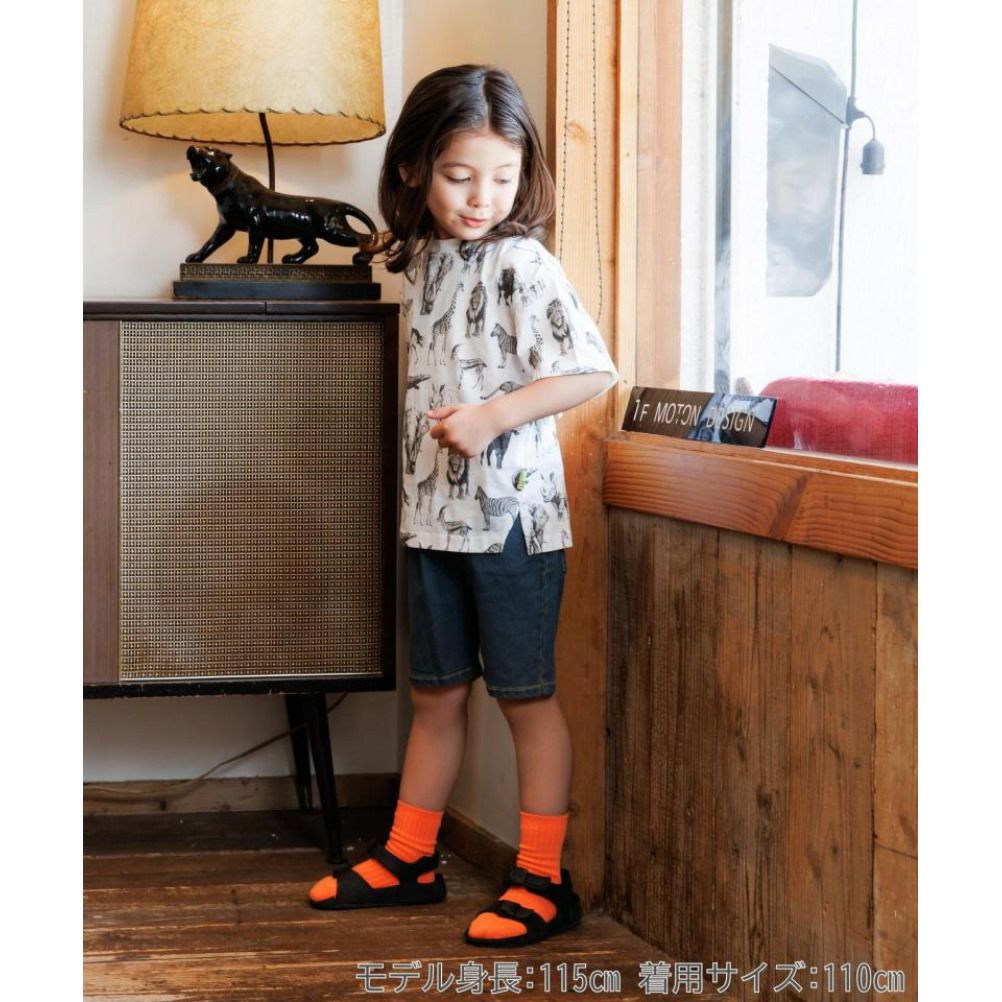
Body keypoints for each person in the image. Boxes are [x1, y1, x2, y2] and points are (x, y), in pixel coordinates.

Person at [307, 64, 619, 949]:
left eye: (503, 177)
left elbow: (592, 370)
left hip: (513, 524)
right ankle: (410, 858)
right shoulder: (425, 260)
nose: (482, 198)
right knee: (436, 695)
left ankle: (543, 880)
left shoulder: (524, 263)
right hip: (434, 517)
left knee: (525, 698)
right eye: (458, 176)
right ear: (413, 169)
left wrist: (493, 417)